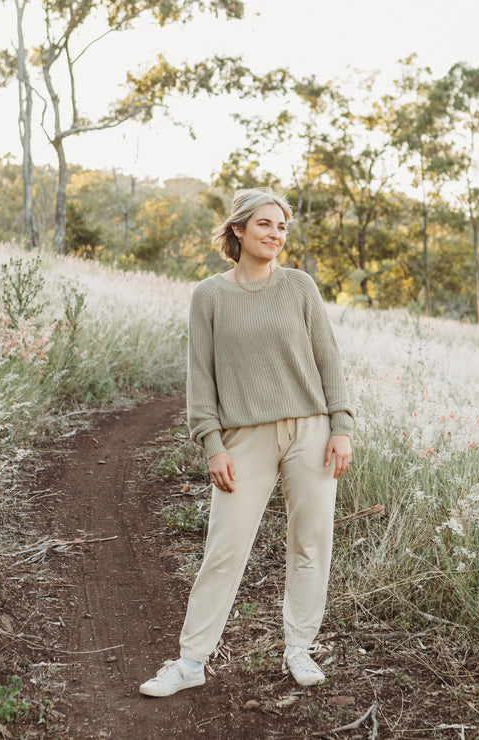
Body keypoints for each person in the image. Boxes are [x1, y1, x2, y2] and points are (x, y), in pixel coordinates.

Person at [139, 187, 354, 698]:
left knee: (310, 543)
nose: (276, 235)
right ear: (237, 230)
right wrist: (212, 443)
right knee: (224, 547)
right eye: (265, 224)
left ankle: (299, 647)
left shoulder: (300, 287)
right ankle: (191, 660)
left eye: (282, 227)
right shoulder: (209, 296)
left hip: (311, 430)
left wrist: (341, 427)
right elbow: (201, 378)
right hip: (243, 439)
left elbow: (330, 361)